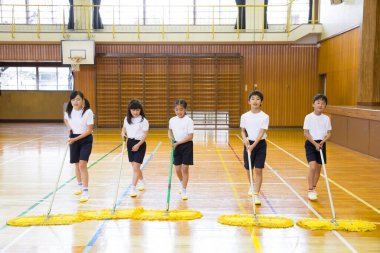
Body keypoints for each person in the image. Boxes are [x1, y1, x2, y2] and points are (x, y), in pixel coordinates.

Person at [64, 90, 94, 203]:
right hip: (73, 137)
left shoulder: (88, 112)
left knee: (82, 164)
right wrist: (69, 127)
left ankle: (85, 191)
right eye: (73, 99)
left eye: (78, 99)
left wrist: (74, 139)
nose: (75, 102)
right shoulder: (69, 111)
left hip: (85, 139)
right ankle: (79, 185)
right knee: (76, 164)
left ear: (82, 100)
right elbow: (66, 119)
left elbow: (89, 130)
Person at [240, 90, 269, 205]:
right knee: (248, 168)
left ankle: (256, 194)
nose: (255, 101)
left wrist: (253, 146)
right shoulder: (245, 116)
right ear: (249, 101)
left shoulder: (265, 116)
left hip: (260, 144)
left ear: (261, 102)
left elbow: (261, 133)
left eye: (258, 99)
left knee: (258, 169)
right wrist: (245, 139)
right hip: (248, 143)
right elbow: (242, 130)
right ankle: (251, 185)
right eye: (253, 99)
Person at [303, 94, 332, 201]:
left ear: (325, 106)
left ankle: (314, 188)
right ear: (313, 104)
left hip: (322, 144)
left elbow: (329, 133)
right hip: (311, 143)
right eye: (318, 102)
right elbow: (306, 133)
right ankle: (310, 190)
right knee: (313, 167)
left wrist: (322, 142)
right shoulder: (308, 117)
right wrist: (315, 144)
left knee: (319, 168)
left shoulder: (326, 119)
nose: (320, 105)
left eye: (323, 103)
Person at [122, 99, 149, 198]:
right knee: (135, 167)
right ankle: (142, 181)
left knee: (136, 167)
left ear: (140, 110)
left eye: (137, 110)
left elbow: (145, 135)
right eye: (133, 110)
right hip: (130, 143)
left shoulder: (144, 121)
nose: (135, 112)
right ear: (130, 110)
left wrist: (138, 145)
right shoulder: (127, 119)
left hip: (140, 143)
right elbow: (124, 128)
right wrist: (123, 133)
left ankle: (132, 188)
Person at [168, 99, 194, 200]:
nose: (179, 112)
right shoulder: (172, 120)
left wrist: (178, 142)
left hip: (186, 145)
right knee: (177, 169)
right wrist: (171, 139)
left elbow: (190, 136)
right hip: (176, 145)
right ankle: (181, 182)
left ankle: (184, 190)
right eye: (177, 110)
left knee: (184, 168)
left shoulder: (189, 121)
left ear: (185, 109)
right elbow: (169, 132)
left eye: (181, 110)